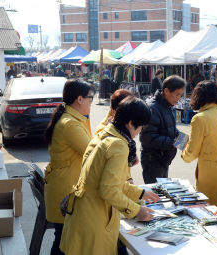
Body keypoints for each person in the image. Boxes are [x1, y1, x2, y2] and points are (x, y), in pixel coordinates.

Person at [60, 97, 160, 255]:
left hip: (83, 214)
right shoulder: (119, 145)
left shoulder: (106, 134)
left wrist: (140, 193)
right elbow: (109, 190)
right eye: (140, 126)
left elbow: (110, 181)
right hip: (95, 220)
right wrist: (137, 211)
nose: (139, 131)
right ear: (130, 122)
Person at [44, 79, 94, 255]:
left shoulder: (72, 118)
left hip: (63, 186)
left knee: (63, 238)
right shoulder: (70, 123)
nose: (91, 103)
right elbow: (92, 151)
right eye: (90, 98)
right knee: (63, 240)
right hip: (65, 189)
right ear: (79, 99)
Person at [181, 81, 217, 206]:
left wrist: (184, 154)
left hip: (212, 176)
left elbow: (192, 152)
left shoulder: (200, 118)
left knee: (212, 214)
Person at [140, 75, 186, 184]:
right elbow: (147, 137)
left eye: (180, 95)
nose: (178, 98)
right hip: (153, 160)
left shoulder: (167, 105)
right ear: (166, 91)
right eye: (177, 94)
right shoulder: (152, 108)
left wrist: (184, 140)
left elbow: (171, 129)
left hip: (163, 158)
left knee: (163, 193)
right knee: (156, 195)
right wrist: (173, 143)